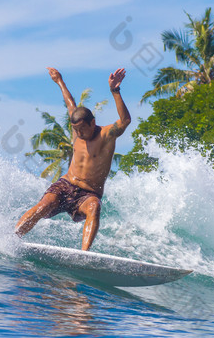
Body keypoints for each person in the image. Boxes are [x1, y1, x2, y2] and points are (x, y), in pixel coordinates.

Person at [15, 67, 131, 251]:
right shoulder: (77, 128)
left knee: (94, 207)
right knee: (44, 205)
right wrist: (59, 80)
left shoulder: (106, 135)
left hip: (88, 194)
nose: (78, 133)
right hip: (65, 185)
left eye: (82, 129)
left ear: (93, 123)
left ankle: (84, 255)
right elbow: (70, 103)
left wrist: (115, 91)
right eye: (75, 130)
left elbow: (124, 121)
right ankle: (12, 238)